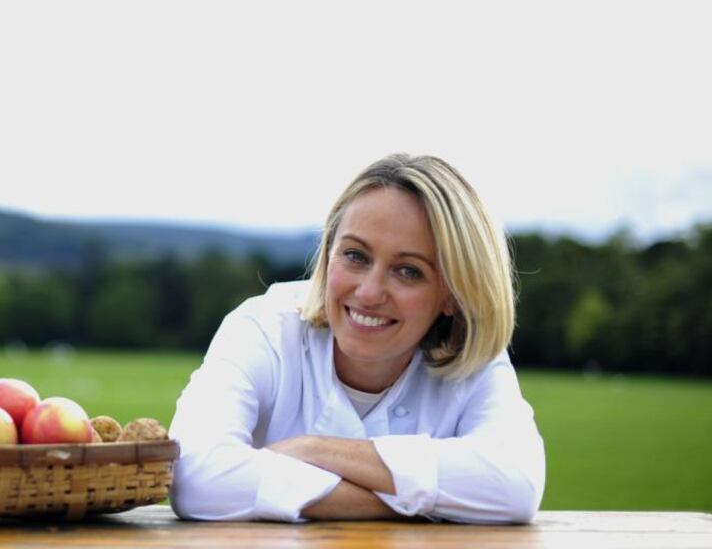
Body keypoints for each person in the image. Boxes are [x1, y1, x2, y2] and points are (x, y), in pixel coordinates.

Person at [168, 154, 545, 524]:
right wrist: (407, 503)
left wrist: (312, 450)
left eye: (408, 271)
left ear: (453, 293)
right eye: (355, 256)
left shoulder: (472, 359)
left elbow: (517, 482)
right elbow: (194, 475)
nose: (369, 292)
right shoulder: (265, 327)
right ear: (329, 253)